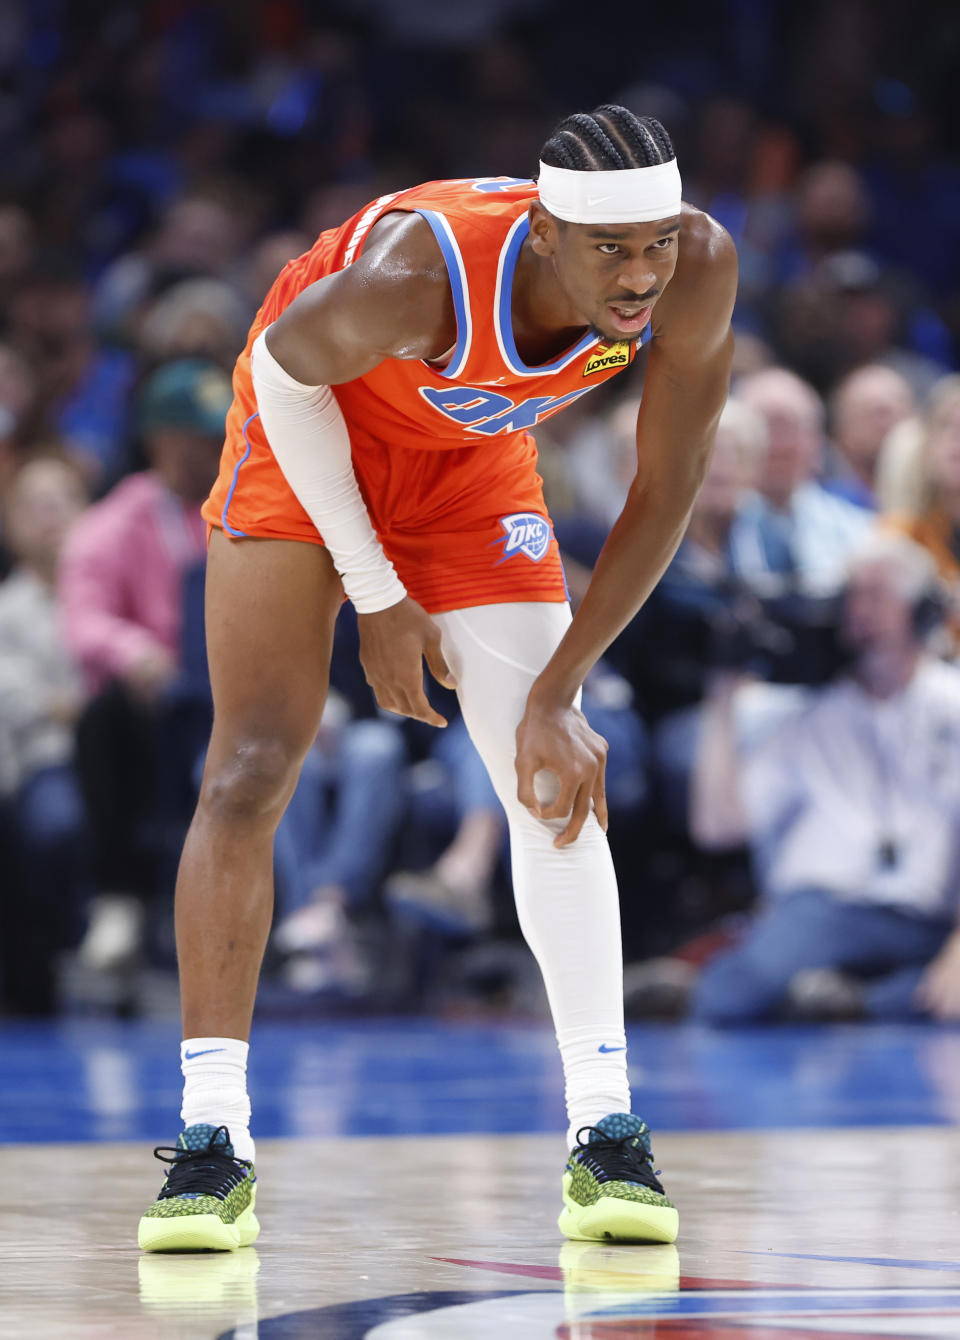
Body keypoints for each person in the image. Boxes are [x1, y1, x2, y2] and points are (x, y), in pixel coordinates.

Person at [137, 105, 737, 1253]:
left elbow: (667, 487)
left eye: (655, 241)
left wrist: (564, 687)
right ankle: (213, 1138)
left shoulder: (695, 266)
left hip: (466, 465)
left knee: (550, 774)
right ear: (545, 229)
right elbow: (280, 373)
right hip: (308, 436)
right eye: (612, 249)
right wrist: (374, 593)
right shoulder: (418, 274)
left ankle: (606, 1128)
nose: (641, 274)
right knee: (252, 768)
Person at [689, 532, 960, 1025]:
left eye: (878, 595)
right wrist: (722, 694)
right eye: (851, 595)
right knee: (729, 999)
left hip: (931, 918)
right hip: (824, 909)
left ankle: (846, 1002)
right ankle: (857, 1001)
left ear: (922, 611)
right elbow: (717, 827)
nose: (860, 611)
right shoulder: (803, 716)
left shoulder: (952, 706)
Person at [60, 359, 232, 973]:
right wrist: (137, 654)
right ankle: (119, 902)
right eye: (200, 436)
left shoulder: (245, 505)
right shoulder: (115, 522)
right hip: (163, 707)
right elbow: (83, 621)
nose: (215, 448)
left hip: (238, 696)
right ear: (160, 437)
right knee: (104, 718)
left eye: (221, 434)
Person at [0, 455, 88, 1013]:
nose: (51, 514)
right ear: (10, 523)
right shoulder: (7, 609)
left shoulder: (109, 591)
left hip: (123, 754)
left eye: (64, 500)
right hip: (40, 763)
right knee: (55, 822)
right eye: (35, 504)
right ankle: (61, 959)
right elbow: (21, 704)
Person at [729, 367, 870, 596]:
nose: (780, 445)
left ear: (817, 441)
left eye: (791, 429)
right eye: (766, 428)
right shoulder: (710, 527)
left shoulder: (859, 531)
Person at [826, 364, 915, 511]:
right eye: (876, 413)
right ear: (841, 431)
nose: (888, 424)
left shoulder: (940, 504)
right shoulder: (826, 508)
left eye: (898, 410)